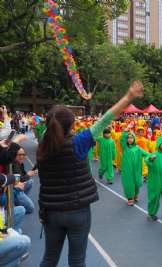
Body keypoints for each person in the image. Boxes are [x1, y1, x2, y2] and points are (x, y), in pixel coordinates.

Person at [37, 80, 144, 267]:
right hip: (77, 211)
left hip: (51, 212)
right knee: (77, 260)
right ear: (71, 125)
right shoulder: (79, 143)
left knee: (49, 258)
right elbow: (105, 120)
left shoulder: (42, 148)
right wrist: (128, 96)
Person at [145, 136, 162, 220]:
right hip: (155, 181)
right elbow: (147, 160)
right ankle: (151, 213)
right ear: (159, 144)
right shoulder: (155, 154)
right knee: (154, 198)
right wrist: (151, 159)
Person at [120, 131, 148, 205]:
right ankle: (130, 198)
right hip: (127, 170)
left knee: (137, 182)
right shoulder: (125, 147)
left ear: (134, 139)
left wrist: (153, 157)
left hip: (136, 169)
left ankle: (135, 194)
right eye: (128, 138)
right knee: (129, 183)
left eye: (131, 138)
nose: (130, 139)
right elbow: (122, 139)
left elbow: (146, 154)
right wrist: (126, 131)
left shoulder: (138, 148)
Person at [12, 148, 36, 214]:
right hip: (15, 189)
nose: (22, 157)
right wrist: (28, 175)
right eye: (19, 155)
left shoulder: (20, 163)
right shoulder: (15, 163)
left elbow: (23, 177)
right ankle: (17, 200)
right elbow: (18, 180)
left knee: (30, 181)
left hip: (18, 187)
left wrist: (30, 174)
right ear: (14, 155)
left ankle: (21, 200)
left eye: (23, 154)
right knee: (30, 209)